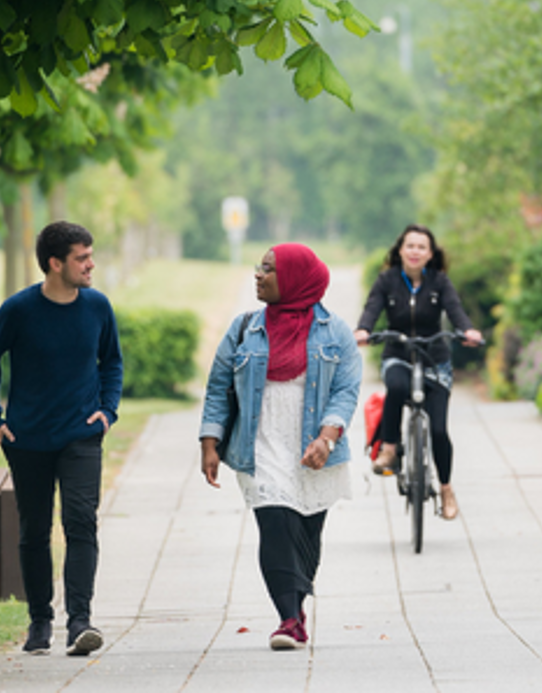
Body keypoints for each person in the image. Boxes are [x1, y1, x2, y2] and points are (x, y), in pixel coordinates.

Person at [200, 243, 361, 650]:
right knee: (274, 522)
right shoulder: (244, 328)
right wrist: (210, 441)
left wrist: (327, 437)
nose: (259, 274)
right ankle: (288, 619)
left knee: (307, 533)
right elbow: (218, 387)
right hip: (261, 441)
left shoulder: (336, 331)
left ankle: (296, 604)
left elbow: (346, 390)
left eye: (269, 269)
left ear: (294, 279)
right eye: (259, 267)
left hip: (314, 443)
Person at [0, 221, 123, 657]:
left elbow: (111, 362)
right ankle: (40, 620)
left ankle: (80, 622)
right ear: (55, 263)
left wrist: (107, 412)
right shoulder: (18, 310)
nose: (90, 264)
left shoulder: (97, 307)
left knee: (81, 522)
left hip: (81, 435)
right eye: (82, 257)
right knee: (34, 530)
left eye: (90, 255)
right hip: (28, 438)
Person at [354, 224, 483, 520]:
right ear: (400, 250)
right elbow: (372, 308)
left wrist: (467, 330)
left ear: (430, 254)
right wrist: (363, 330)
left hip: (434, 357)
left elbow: (455, 310)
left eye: (421, 247)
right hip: (398, 353)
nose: (415, 251)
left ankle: (447, 489)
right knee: (396, 387)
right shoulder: (387, 280)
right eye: (409, 245)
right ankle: (389, 447)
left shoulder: (440, 282)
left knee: (438, 429)